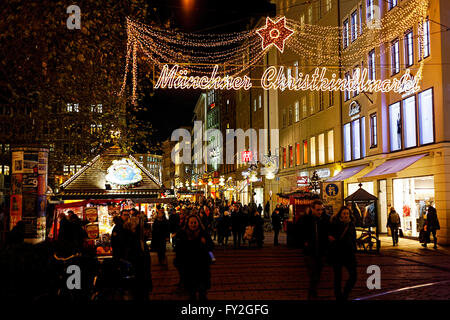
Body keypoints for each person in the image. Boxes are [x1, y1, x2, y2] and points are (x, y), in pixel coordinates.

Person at [174, 214, 214, 300]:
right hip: (189, 269)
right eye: (191, 223)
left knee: (202, 293)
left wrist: (205, 243)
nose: (193, 224)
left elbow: (211, 246)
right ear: (187, 224)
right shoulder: (183, 235)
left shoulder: (204, 234)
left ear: (198, 223)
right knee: (191, 293)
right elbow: (178, 250)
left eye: (195, 222)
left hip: (202, 268)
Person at [299, 199, 330, 300]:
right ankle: (312, 295)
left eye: (321, 209)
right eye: (318, 210)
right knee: (313, 274)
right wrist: (304, 242)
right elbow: (298, 232)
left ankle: (312, 293)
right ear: (312, 209)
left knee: (318, 274)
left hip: (321, 252)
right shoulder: (306, 219)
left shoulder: (325, 219)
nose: (320, 212)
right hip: (310, 253)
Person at [328, 206, 357, 301]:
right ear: (340, 214)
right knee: (338, 278)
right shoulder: (335, 223)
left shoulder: (351, 224)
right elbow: (331, 237)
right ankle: (339, 297)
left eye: (347, 214)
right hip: (338, 254)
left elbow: (353, 239)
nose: (345, 215)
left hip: (349, 254)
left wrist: (354, 250)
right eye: (344, 213)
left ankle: (345, 293)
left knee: (353, 276)